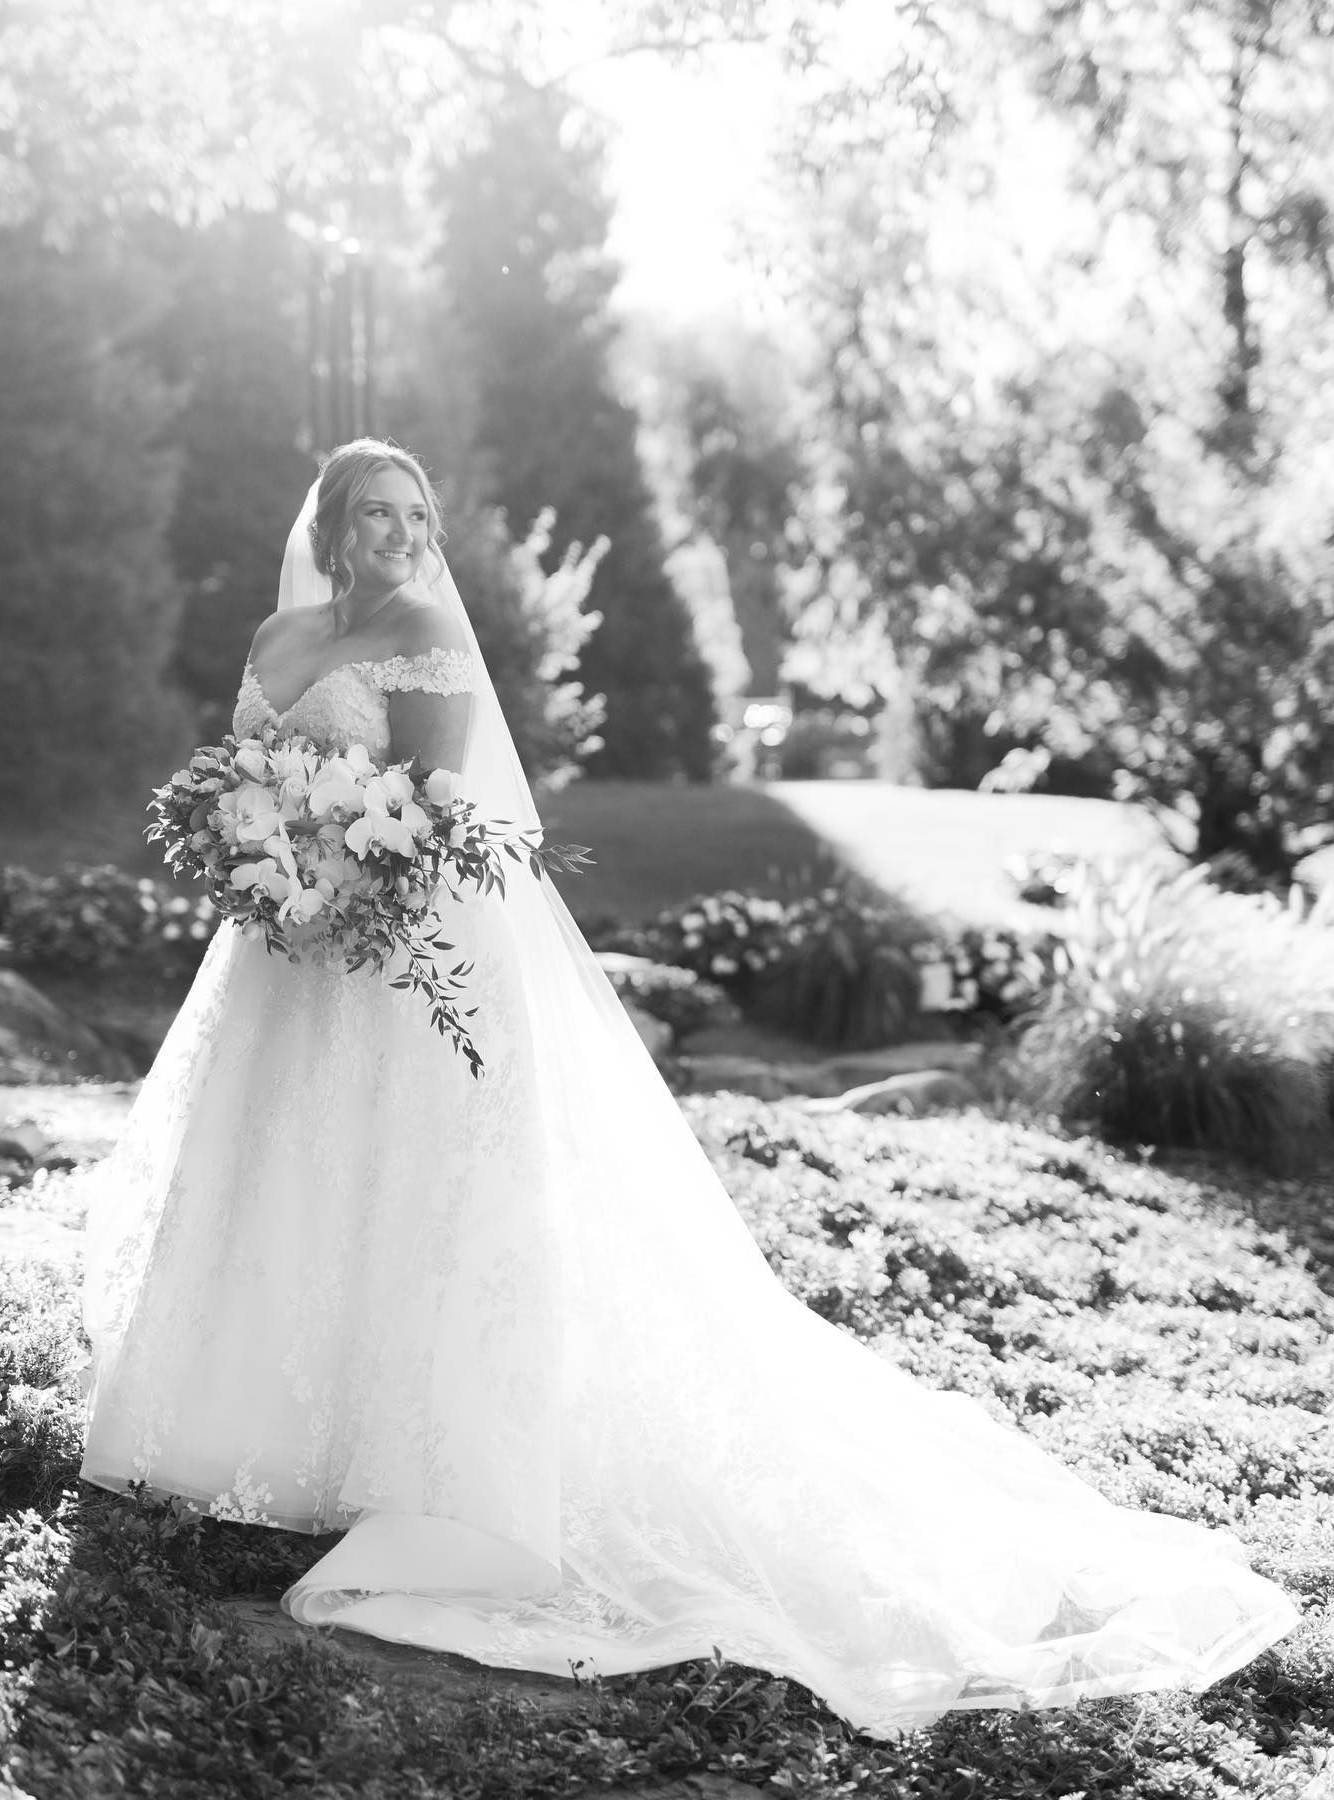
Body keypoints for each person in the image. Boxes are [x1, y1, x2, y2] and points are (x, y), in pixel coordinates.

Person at [81, 438, 1298, 1740]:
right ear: (326, 527)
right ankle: (265, 1430)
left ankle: (423, 1467)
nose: (395, 531)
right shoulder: (276, 643)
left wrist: (347, 868)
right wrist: (261, 850)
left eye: (414, 513)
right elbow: (248, 779)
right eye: (371, 513)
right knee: (284, 1170)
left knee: (410, 1188)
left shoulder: (429, 635)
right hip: (286, 955)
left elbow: (442, 810)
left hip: (401, 951)